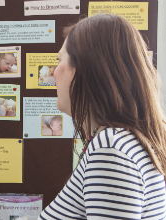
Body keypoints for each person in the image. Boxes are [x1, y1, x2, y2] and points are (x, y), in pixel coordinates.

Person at [40, 14, 166, 219]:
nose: (53, 72)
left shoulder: (111, 147)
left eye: (59, 60)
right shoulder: (123, 142)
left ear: (85, 69)